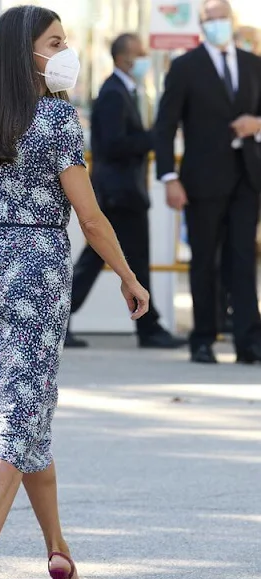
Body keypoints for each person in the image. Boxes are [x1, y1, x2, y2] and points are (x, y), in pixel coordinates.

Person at [0, 5, 149, 579]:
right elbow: (91, 218)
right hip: (35, 279)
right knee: (17, 426)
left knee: (28, 418)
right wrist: (130, 278)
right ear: (28, 51)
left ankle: (62, 559)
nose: (65, 50)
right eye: (55, 42)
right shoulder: (56, 119)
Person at [155, 0, 261, 364]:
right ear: (202, 24)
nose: (219, 24)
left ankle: (249, 340)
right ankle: (203, 338)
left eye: (223, 18)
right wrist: (169, 176)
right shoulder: (186, 67)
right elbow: (166, 125)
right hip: (201, 180)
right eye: (211, 19)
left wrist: (256, 124)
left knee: (243, 259)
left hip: (247, 178)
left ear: (232, 21)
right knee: (204, 260)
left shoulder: (253, 64)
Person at [65, 33, 186, 350]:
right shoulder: (114, 94)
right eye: (139, 53)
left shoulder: (124, 91)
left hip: (123, 192)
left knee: (98, 260)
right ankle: (148, 327)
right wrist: (152, 137)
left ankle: (61, 319)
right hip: (120, 193)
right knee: (131, 261)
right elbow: (113, 145)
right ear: (122, 58)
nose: (145, 59)